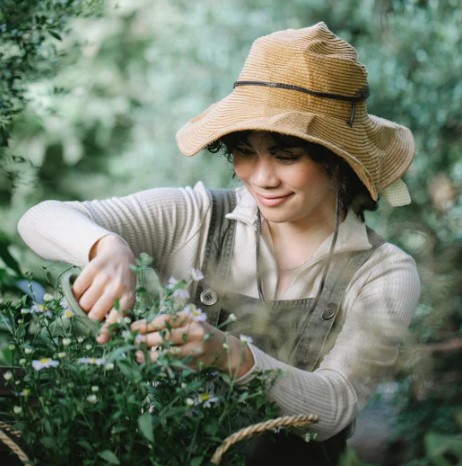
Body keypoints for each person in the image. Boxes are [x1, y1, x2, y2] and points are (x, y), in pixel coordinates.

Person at [17, 22, 420, 465]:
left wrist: (232, 356)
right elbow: (39, 218)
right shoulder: (195, 216)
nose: (261, 178)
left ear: (338, 160)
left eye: (287, 156)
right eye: (245, 152)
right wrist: (107, 247)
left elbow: (336, 404)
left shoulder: (383, 272)